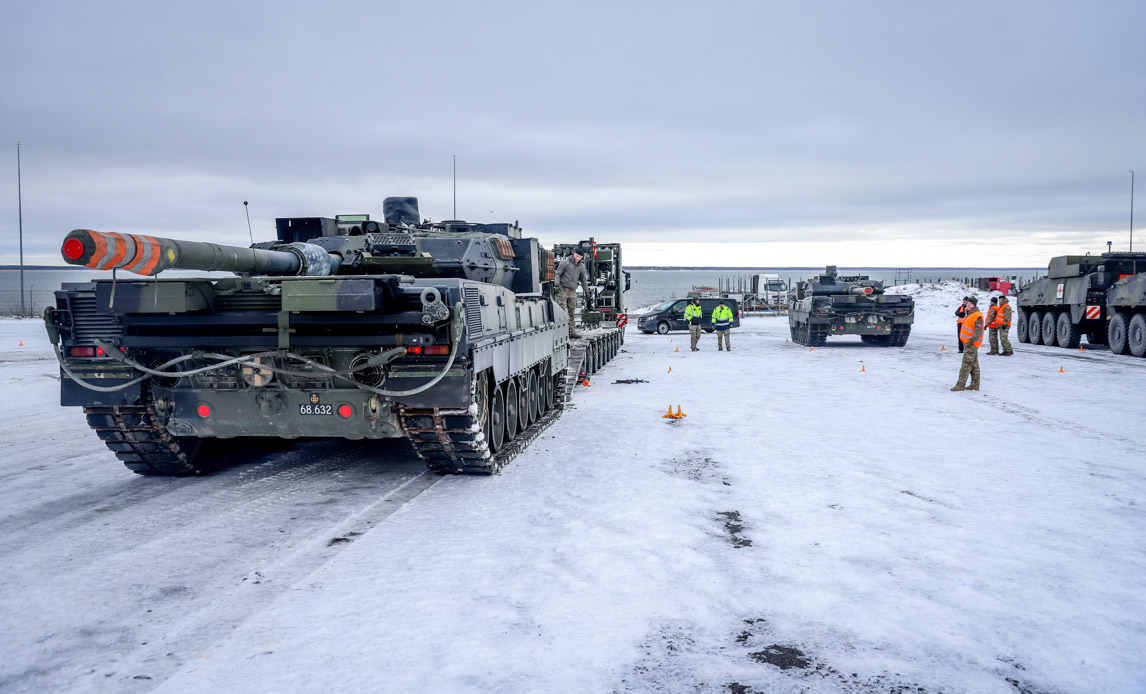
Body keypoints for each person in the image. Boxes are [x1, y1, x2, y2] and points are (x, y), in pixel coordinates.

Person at [554, 251, 590, 338]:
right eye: (577, 256)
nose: (578, 258)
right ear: (574, 254)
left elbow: (583, 280)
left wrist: (587, 291)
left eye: (580, 257)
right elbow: (558, 274)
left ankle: (572, 332)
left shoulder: (582, 267)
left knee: (572, 312)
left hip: (572, 290)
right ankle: (559, 332)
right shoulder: (565, 263)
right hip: (563, 289)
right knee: (560, 310)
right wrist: (557, 285)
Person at [952, 296, 984, 391]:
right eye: (967, 303)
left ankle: (960, 385)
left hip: (971, 344)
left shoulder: (977, 316)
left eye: (970, 304)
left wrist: (970, 342)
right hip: (968, 343)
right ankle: (975, 384)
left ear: (974, 305)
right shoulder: (969, 314)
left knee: (966, 364)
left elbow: (978, 332)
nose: (968, 305)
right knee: (974, 365)